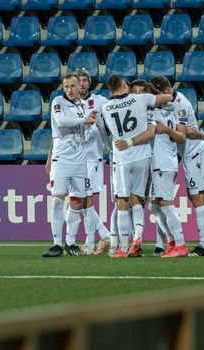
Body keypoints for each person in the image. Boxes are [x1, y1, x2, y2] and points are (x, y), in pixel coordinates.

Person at [98, 74, 174, 258]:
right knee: (137, 199)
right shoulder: (141, 99)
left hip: (122, 157)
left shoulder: (105, 107)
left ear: (110, 90)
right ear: (125, 84)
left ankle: (123, 248)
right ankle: (138, 238)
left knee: (122, 200)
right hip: (143, 156)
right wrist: (163, 96)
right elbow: (167, 98)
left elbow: (105, 132)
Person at [150, 76, 204, 257]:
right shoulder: (170, 102)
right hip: (190, 154)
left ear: (166, 91)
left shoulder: (180, 104)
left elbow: (186, 131)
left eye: (157, 94)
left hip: (195, 153)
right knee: (195, 197)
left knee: (197, 198)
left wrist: (195, 132)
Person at [42, 73, 97, 257]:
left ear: (79, 86)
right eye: (67, 87)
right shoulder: (58, 102)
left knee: (78, 202)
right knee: (57, 201)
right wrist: (85, 120)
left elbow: (82, 129)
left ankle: (70, 243)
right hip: (62, 160)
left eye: (73, 86)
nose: (70, 90)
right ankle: (56, 244)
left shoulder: (81, 105)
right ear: (63, 88)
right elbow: (61, 122)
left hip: (80, 161)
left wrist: (89, 122)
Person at [146, 84, 190, 258]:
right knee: (155, 206)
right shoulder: (169, 112)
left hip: (162, 164)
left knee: (166, 204)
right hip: (165, 163)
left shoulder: (153, 115)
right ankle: (171, 241)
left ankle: (180, 244)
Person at [74, 68, 111, 255]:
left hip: (92, 157)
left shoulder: (100, 101)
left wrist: (101, 128)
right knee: (79, 200)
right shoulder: (68, 103)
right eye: (78, 80)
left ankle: (89, 243)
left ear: (89, 82)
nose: (81, 84)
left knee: (86, 200)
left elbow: (114, 118)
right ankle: (105, 235)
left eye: (84, 80)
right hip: (73, 158)